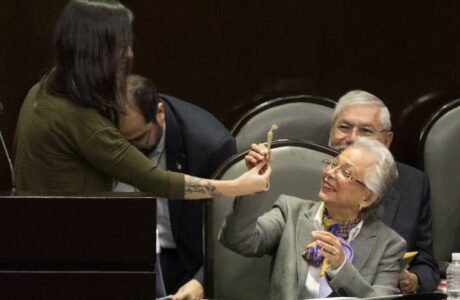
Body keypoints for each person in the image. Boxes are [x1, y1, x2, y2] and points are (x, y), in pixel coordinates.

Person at [13, 0, 270, 199]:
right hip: (68, 249)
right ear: (98, 54)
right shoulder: (79, 119)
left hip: (38, 237)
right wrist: (235, 186)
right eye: (122, 45)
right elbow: (155, 180)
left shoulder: (42, 89)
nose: (129, 52)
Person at [246, 90, 439, 294]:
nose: (352, 138)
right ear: (332, 131)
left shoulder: (412, 185)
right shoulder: (304, 178)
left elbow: (426, 261)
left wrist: (414, 280)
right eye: (344, 127)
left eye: (365, 131)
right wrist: (249, 187)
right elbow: (244, 239)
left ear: (387, 140)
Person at [220, 137, 407, 299]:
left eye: (346, 173)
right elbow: (238, 240)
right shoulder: (291, 212)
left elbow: (382, 298)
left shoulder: (389, 245)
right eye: (334, 163)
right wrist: (253, 186)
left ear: (367, 198)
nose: (330, 173)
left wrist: (342, 267)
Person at [114, 74, 236, 299]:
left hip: (184, 264)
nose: (130, 151)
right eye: (122, 142)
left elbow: (231, 231)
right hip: (121, 256)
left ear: (159, 114)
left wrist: (203, 281)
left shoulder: (210, 148)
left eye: (139, 139)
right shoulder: (102, 131)